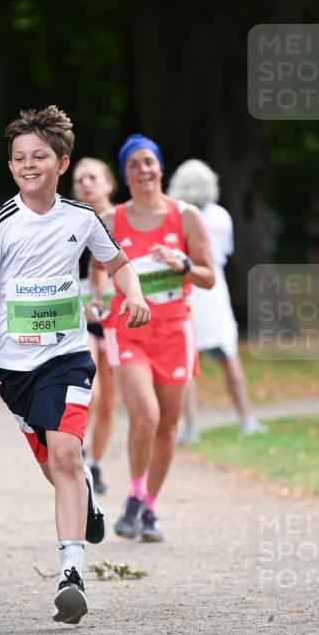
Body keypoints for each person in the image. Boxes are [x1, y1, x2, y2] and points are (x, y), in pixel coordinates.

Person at [0, 106, 150, 625]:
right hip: (16, 371)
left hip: (67, 358)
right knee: (53, 466)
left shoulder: (81, 219)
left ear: (61, 163)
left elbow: (119, 263)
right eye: (18, 157)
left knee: (66, 454)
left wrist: (132, 293)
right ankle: (85, 501)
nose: (27, 164)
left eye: (38, 156)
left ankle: (71, 574)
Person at [96, 134, 215, 543]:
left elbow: (209, 277)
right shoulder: (112, 221)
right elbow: (97, 269)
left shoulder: (186, 217)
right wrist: (96, 297)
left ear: (161, 168)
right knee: (144, 416)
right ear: (125, 174)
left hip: (174, 330)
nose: (144, 170)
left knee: (168, 425)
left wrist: (182, 263)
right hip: (128, 330)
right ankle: (132, 492)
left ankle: (149, 505)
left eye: (149, 162)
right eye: (134, 165)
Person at [166, 159, 266, 440]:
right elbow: (224, 253)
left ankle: (190, 426)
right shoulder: (221, 216)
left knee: (188, 360)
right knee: (229, 357)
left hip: (188, 285)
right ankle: (246, 418)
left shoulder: (178, 215)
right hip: (215, 287)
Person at [72, 157, 118, 494]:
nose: (86, 184)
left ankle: (97, 464)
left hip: (118, 316)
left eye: (92, 177)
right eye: (79, 180)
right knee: (92, 392)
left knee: (108, 402)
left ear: (108, 183)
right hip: (81, 315)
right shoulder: (69, 224)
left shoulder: (125, 221)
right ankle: (79, 450)